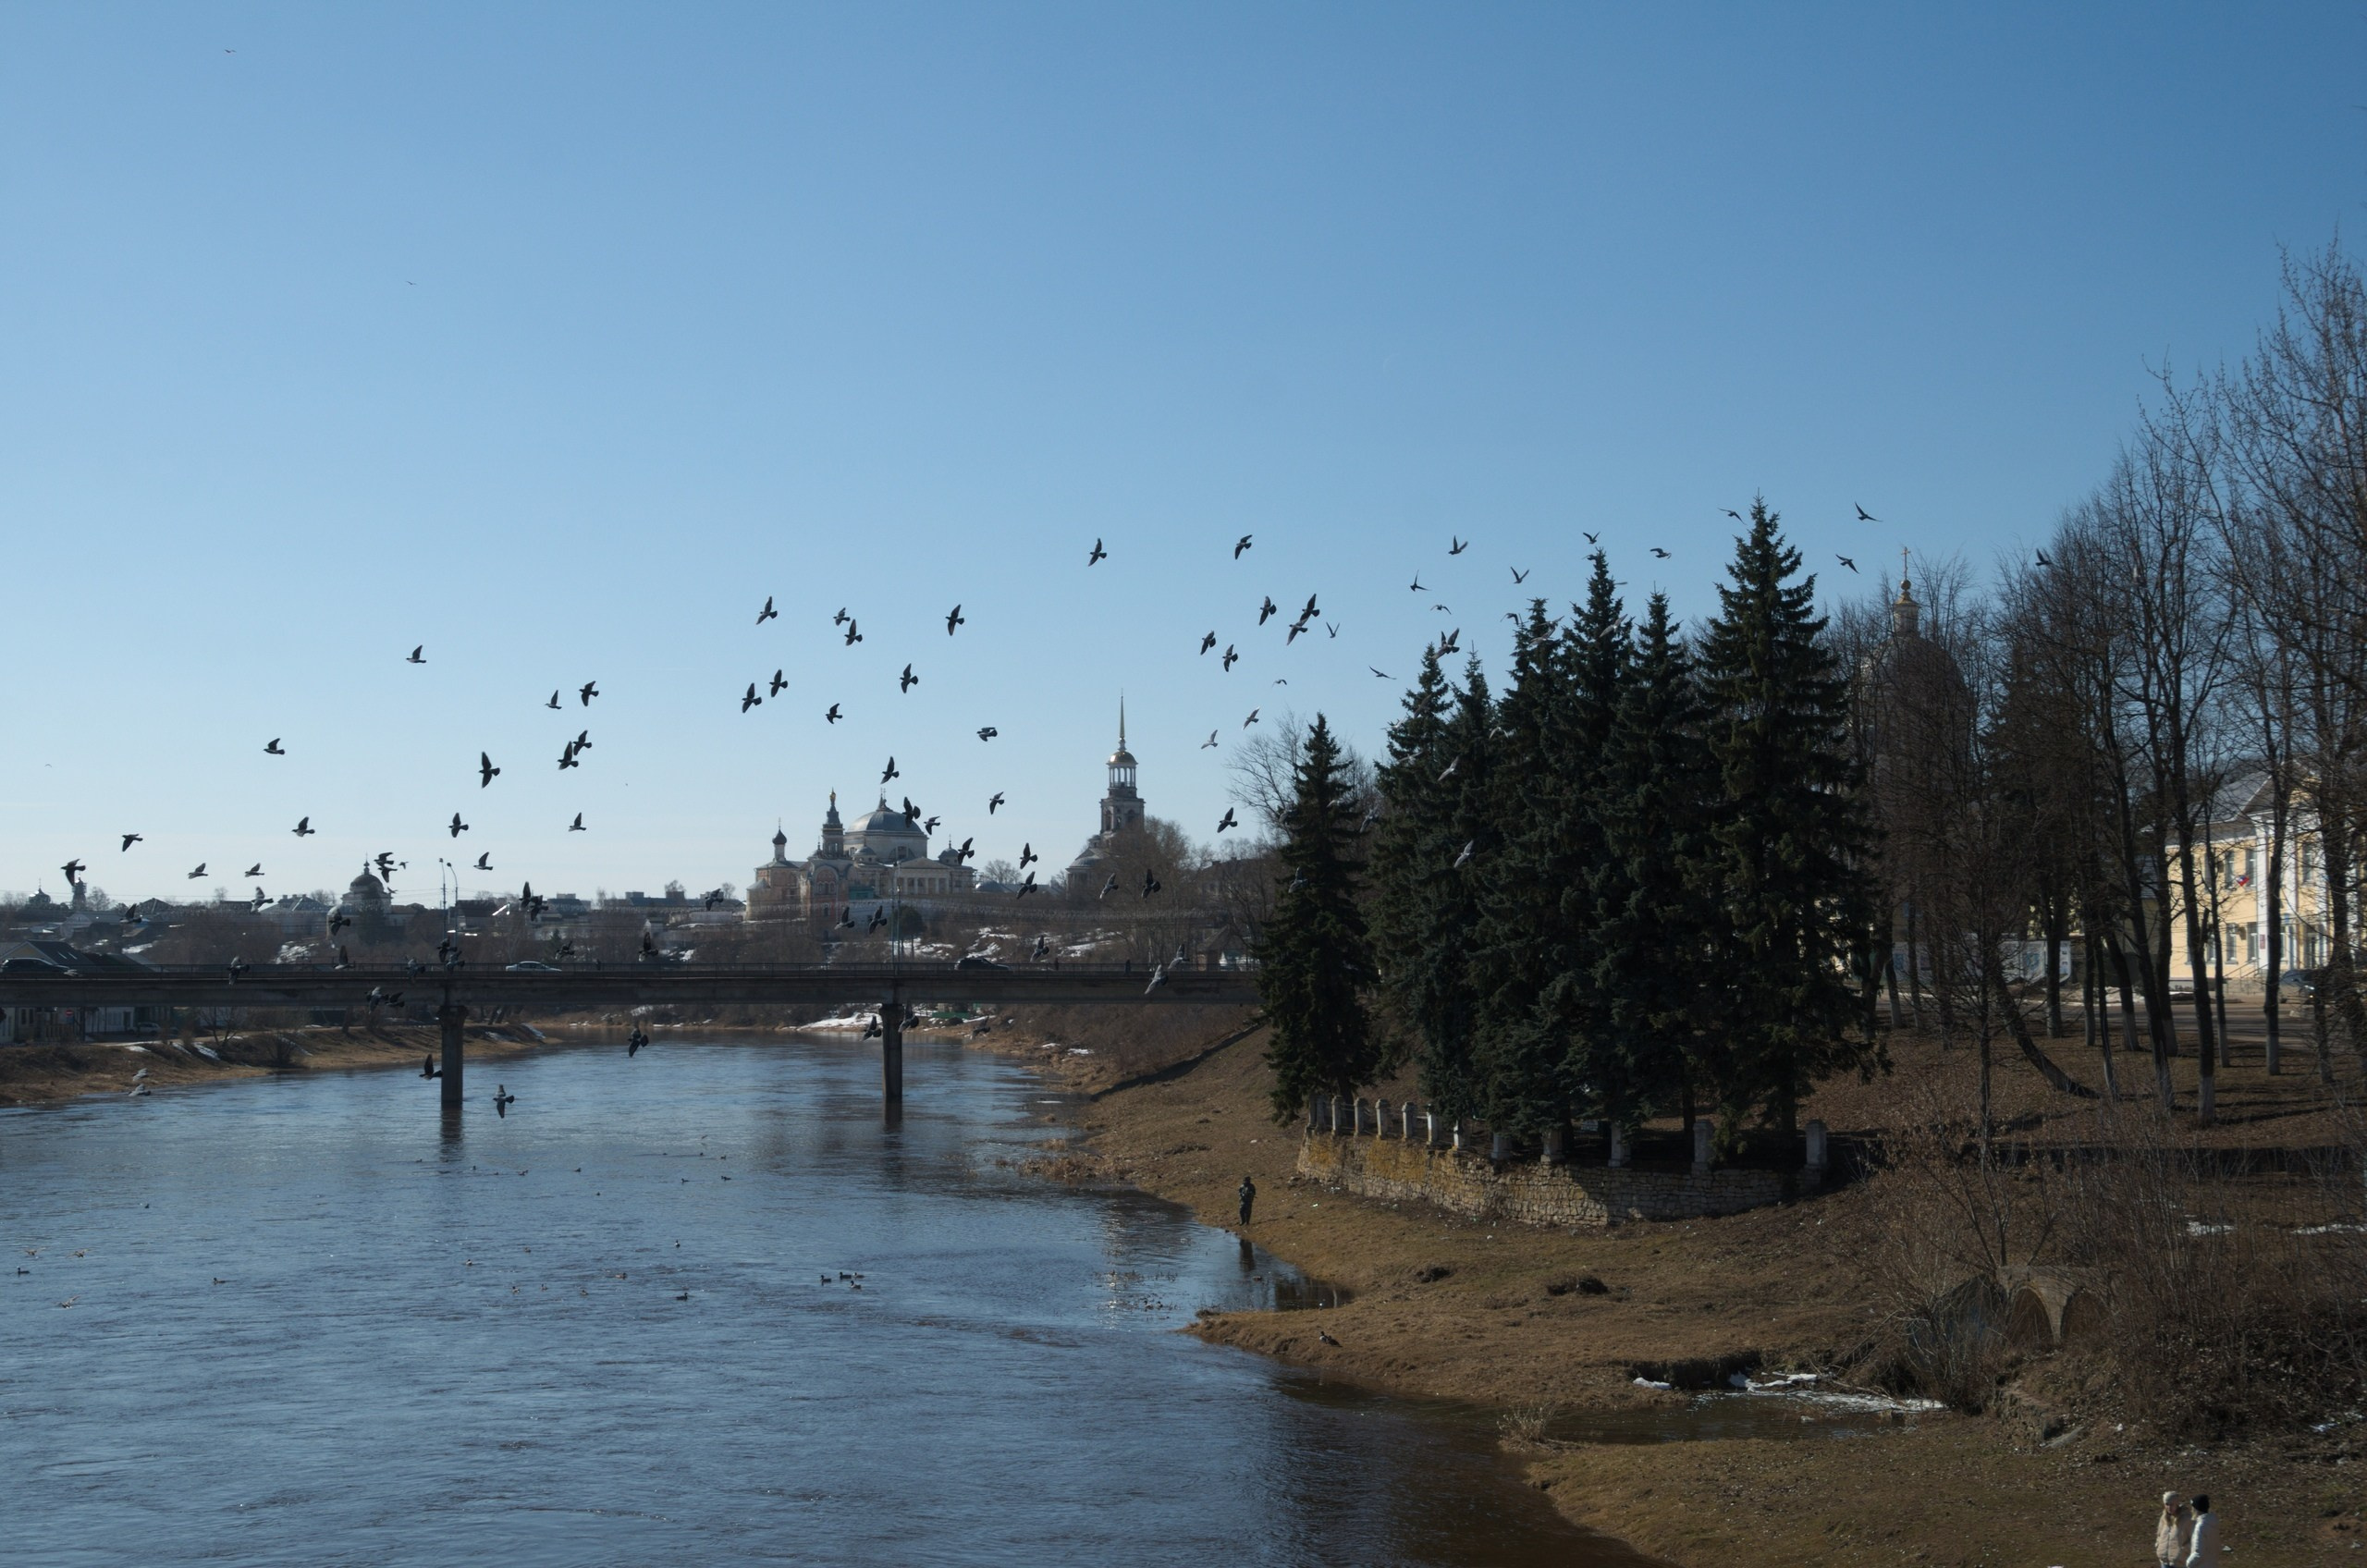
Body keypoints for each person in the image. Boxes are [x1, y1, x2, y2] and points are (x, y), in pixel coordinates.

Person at [2185, 1494, 2218, 1565]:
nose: (2191, 1510)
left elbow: (2198, 1553)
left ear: (2196, 1509)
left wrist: (2188, 1563)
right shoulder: (2212, 1523)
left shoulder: (2200, 1527)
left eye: (2192, 1508)